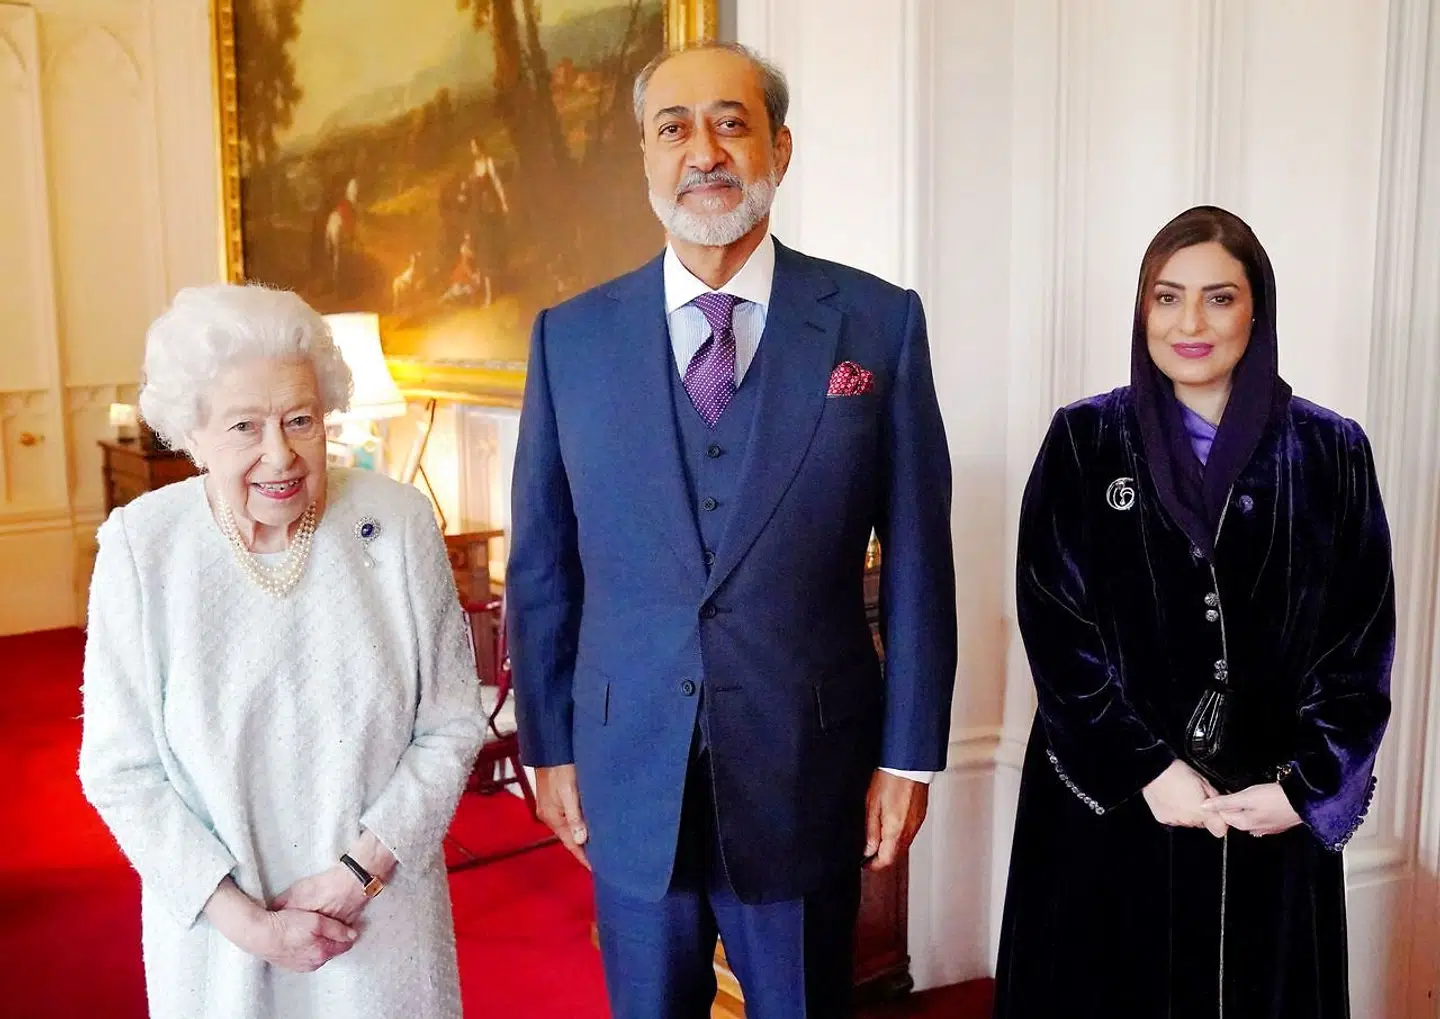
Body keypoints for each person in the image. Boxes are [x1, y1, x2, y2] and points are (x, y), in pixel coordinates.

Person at [506, 40, 957, 1019]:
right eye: (673, 128)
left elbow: (922, 559)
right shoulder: (569, 338)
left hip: (809, 771)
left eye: (730, 122)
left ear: (778, 150)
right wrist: (548, 744)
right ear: (645, 159)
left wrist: (909, 752)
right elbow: (541, 565)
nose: (702, 150)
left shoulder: (878, 325)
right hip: (629, 775)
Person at [994, 206, 1395, 1018]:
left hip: (1266, 815)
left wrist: (1306, 788)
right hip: (1107, 805)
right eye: (1167, 298)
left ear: (1257, 309)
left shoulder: (1332, 452)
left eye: (1219, 298)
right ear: (1143, 309)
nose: (1190, 323)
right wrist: (1146, 767)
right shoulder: (1082, 442)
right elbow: (1056, 629)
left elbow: (1359, 644)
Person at [78, 283, 485, 1019]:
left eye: (301, 419)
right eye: (244, 426)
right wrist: (248, 922)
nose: (281, 453)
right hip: (218, 940)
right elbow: (119, 767)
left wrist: (360, 873)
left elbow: (453, 722)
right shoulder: (143, 549)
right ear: (192, 434)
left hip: (378, 919)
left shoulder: (397, 524)